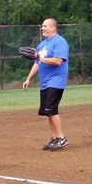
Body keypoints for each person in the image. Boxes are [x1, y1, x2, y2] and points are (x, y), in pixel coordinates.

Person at [23, 18, 69, 151]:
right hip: (45, 83)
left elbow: (58, 61)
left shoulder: (60, 42)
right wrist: (29, 79)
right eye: (42, 26)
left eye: (45, 26)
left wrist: (40, 58)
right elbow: (37, 64)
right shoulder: (41, 45)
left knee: (51, 109)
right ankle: (54, 138)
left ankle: (61, 138)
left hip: (56, 81)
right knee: (47, 111)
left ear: (53, 28)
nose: (42, 28)